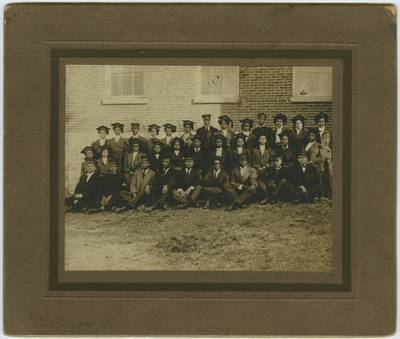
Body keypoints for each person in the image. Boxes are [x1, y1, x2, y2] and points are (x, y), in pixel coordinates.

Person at [314, 111, 332, 197]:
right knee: (319, 171)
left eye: (322, 121)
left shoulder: (329, 132)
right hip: (318, 152)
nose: (321, 123)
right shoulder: (314, 131)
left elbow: (331, 143)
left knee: (328, 171)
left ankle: (328, 189)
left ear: (325, 122)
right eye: (319, 121)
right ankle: (320, 190)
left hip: (327, 153)